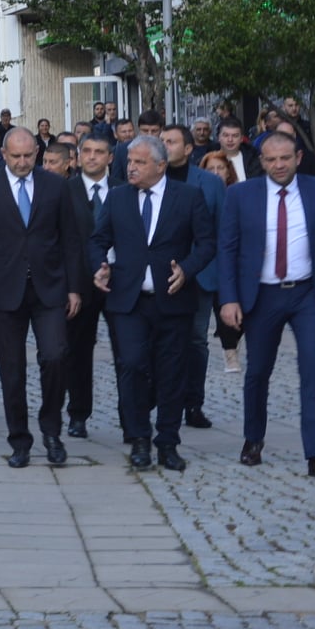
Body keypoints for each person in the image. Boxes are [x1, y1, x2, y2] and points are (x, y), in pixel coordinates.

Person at [89, 135, 216, 471]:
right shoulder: (117, 198)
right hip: (128, 300)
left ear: (161, 165)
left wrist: (186, 270)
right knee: (131, 365)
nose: (131, 167)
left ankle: (168, 442)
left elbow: (206, 244)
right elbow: (98, 239)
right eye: (129, 161)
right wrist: (99, 266)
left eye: (140, 162)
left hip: (172, 299)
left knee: (171, 372)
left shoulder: (188, 197)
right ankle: (139, 439)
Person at [0, 128, 84, 468]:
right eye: (15, 156)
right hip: (3, 291)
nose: (22, 162)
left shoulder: (56, 186)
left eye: (28, 156)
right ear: (3, 154)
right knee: (12, 370)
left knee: (56, 355)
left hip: (50, 288)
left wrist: (74, 287)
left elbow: (71, 239)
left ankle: (51, 430)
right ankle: (20, 440)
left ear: (37, 154)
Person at [216, 129, 315, 474]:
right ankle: (253, 438)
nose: (279, 165)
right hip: (262, 294)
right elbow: (227, 249)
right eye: (271, 159)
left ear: (298, 159)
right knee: (258, 371)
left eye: (285, 159)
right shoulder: (241, 195)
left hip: (308, 294)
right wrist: (229, 299)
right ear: (261, 161)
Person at [164, 125, 225, 432]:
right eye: (161, 141)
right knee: (160, 340)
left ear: (188, 149)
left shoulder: (211, 183)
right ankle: (163, 399)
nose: (165, 145)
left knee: (196, 340)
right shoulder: (149, 177)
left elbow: (222, 232)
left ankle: (193, 403)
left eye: (171, 141)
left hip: (200, 274)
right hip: (161, 274)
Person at [63, 134, 122, 437]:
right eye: (86, 151)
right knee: (78, 351)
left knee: (127, 351)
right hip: (80, 283)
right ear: (78, 155)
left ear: (110, 157)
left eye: (99, 152)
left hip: (119, 280)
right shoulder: (65, 190)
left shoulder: (124, 190)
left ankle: (131, 416)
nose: (92, 157)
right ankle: (78, 414)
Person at [200, 149, 246, 373]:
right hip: (207, 259)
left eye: (221, 168)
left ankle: (233, 345)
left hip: (234, 257)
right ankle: (229, 353)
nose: (216, 173)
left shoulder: (239, 193)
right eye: (211, 169)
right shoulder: (198, 193)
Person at [215, 117, 262, 184]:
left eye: (235, 136)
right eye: (226, 135)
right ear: (219, 137)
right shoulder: (207, 159)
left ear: (241, 138)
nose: (230, 140)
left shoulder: (254, 160)